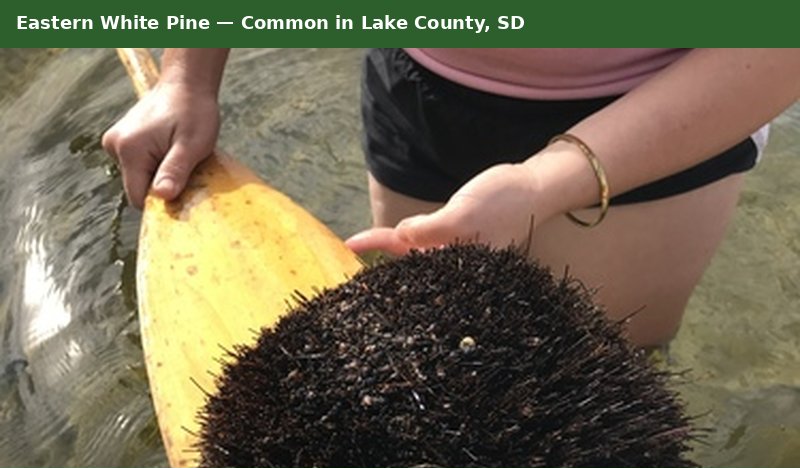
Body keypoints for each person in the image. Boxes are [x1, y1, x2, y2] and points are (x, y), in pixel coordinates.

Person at [102, 48, 800, 347]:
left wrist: (544, 182)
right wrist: (188, 78)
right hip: (420, 80)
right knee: (422, 350)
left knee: (600, 371)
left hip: (657, 107)